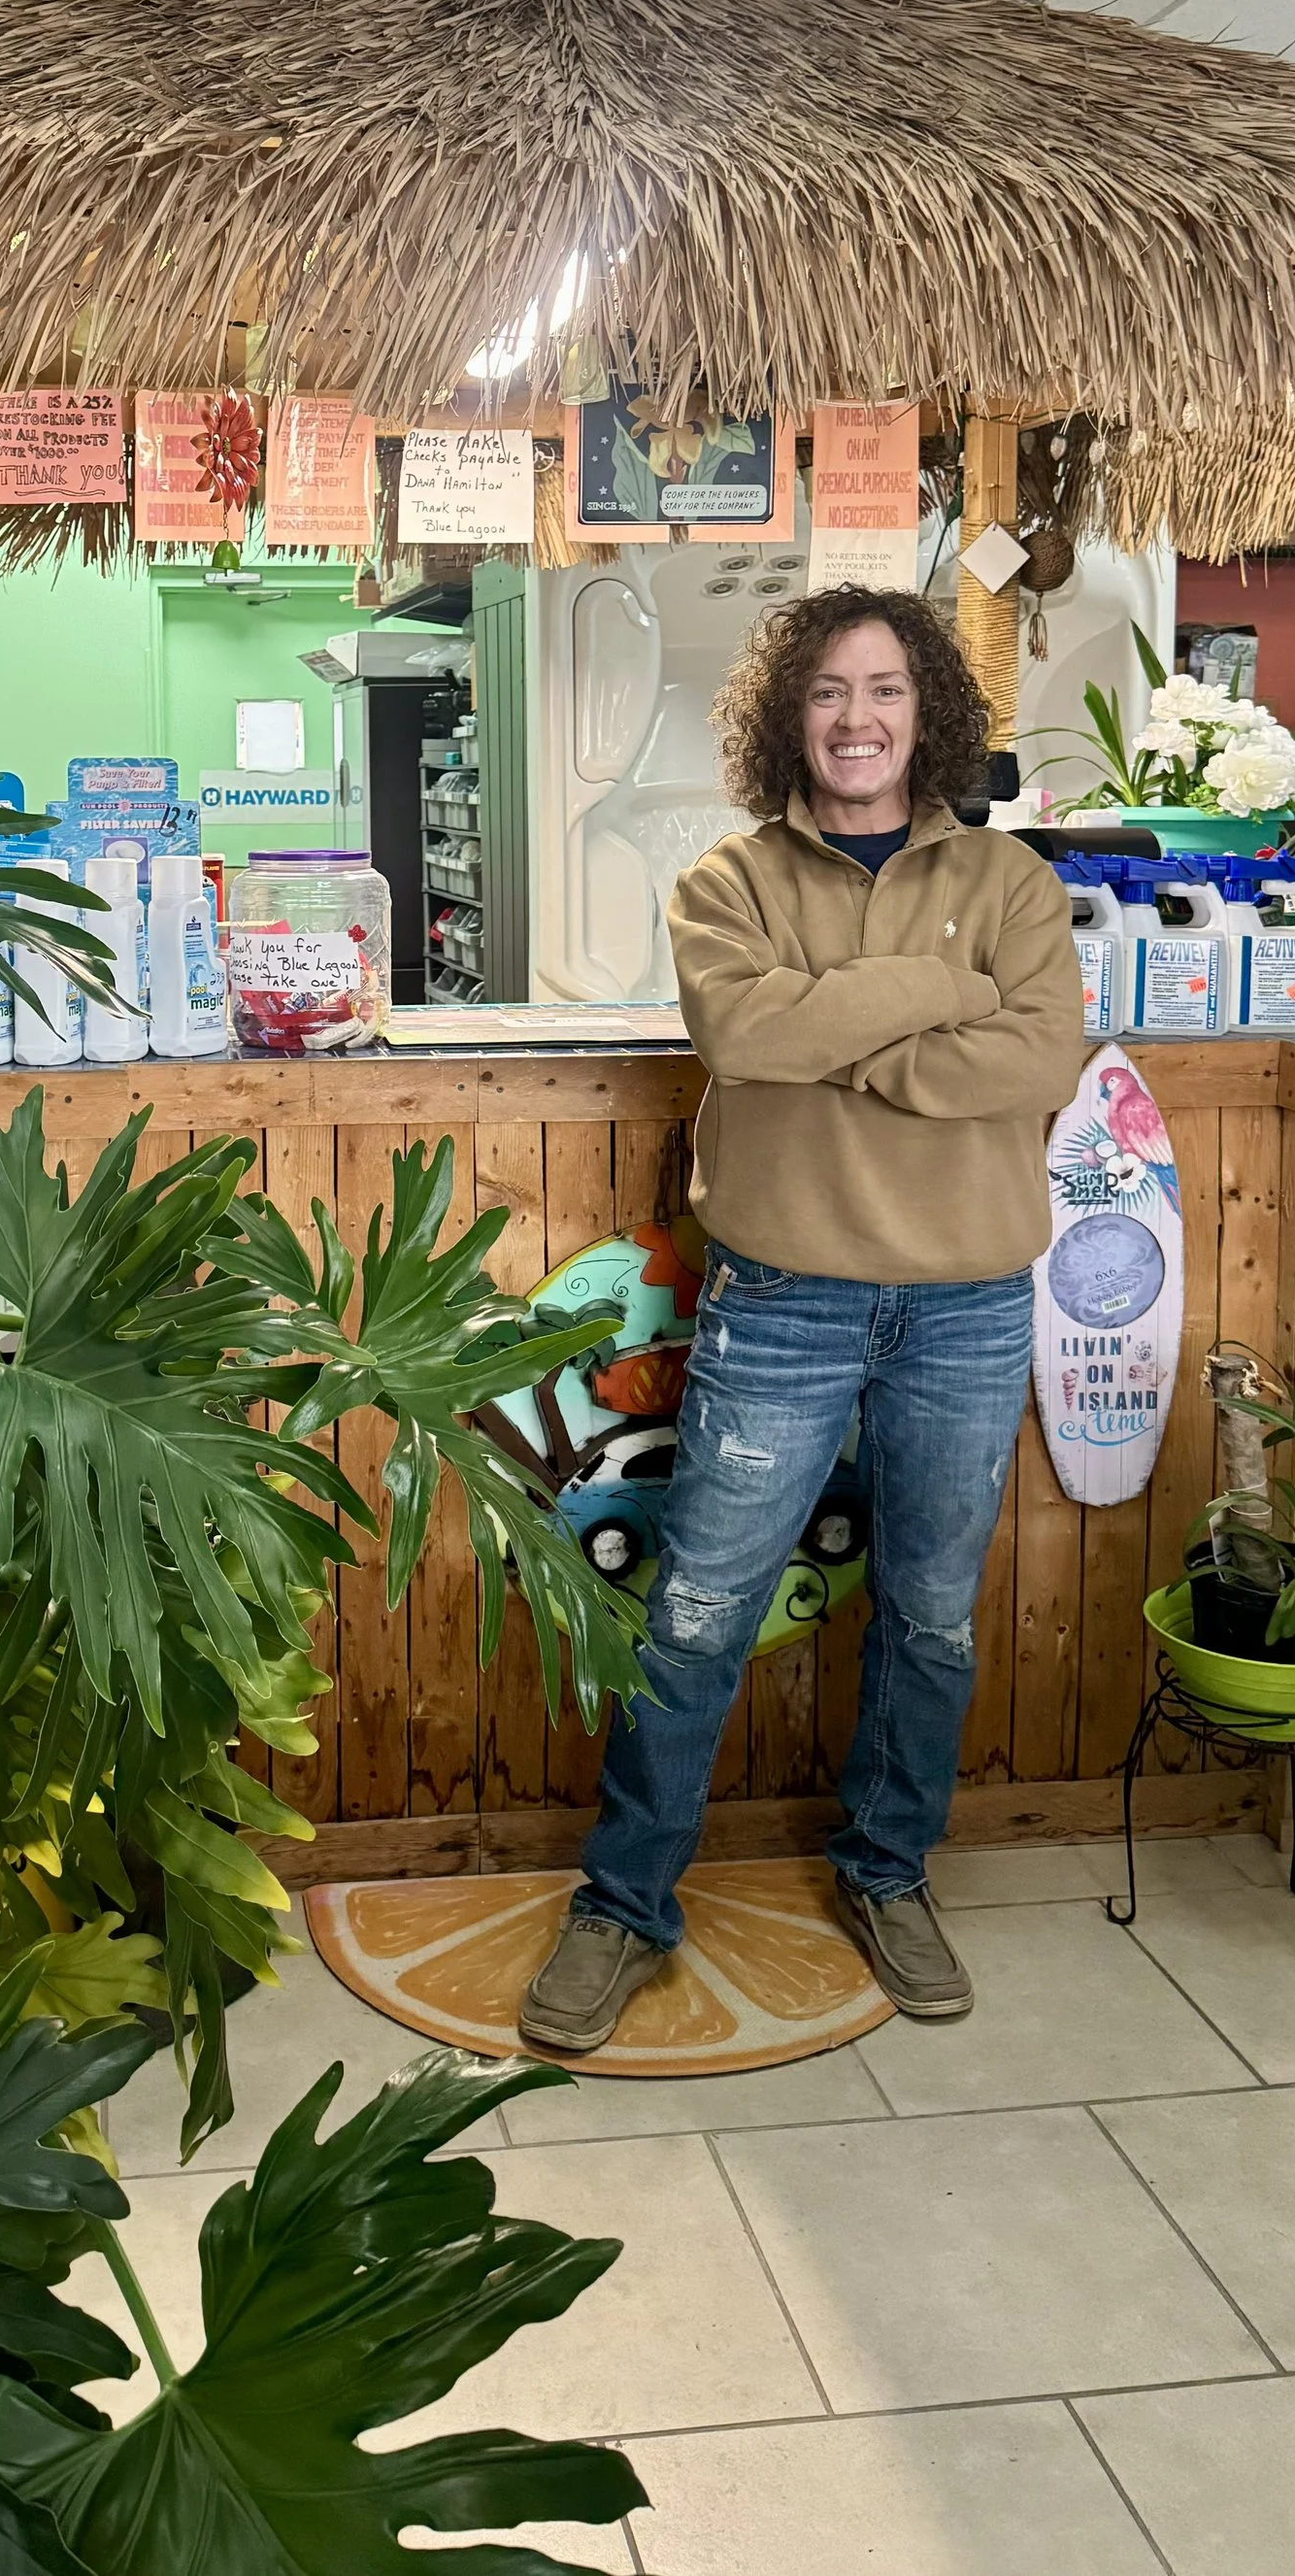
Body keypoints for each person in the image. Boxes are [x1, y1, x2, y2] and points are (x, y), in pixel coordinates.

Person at [519, 585, 1083, 2051]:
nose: (856, 718)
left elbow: (1032, 1066)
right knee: (698, 1609)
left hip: (966, 1305)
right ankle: (622, 1904)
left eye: (886, 689)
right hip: (783, 1301)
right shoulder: (729, 881)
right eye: (829, 691)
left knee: (934, 1617)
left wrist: (851, 1039)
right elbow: (748, 1038)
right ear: (789, 713)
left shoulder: (1011, 885)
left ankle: (889, 1873)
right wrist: (927, 995)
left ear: (927, 712)